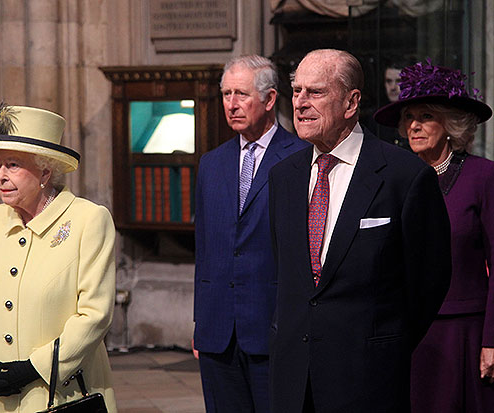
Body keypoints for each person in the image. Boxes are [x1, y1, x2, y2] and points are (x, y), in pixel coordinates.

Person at [268, 49, 452, 412]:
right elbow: (288, 277)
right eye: (297, 91)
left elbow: (429, 282)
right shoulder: (282, 177)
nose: (300, 103)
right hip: (292, 380)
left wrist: (381, 343)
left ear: (351, 102)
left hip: (368, 379)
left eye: (315, 92)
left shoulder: (405, 177)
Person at [0, 102, 117, 412]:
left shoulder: (88, 220)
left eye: (12, 165)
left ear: (45, 170)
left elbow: (95, 314)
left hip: (61, 395)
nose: (0, 176)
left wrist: (33, 368)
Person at [374, 60, 494, 413]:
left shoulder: (483, 177)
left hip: (465, 336)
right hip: (406, 335)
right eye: (408, 117)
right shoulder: (395, 179)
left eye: (425, 116)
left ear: (450, 124)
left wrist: (492, 340)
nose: (413, 126)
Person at [193, 54, 309, 412]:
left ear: (270, 99)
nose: (231, 105)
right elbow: (206, 249)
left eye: (241, 94)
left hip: (273, 329)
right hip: (217, 333)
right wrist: (200, 322)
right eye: (226, 94)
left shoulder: (302, 157)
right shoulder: (211, 164)